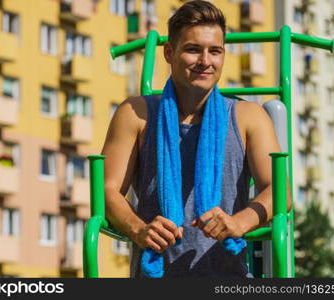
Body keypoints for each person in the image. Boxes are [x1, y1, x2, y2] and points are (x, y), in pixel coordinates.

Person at [101, 0, 291, 278]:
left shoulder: (248, 116)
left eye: (215, 51)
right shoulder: (136, 113)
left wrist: (240, 222)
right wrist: (139, 229)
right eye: (193, 50)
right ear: (169, 52)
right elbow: (106, 190)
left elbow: (279, 189)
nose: (205, 61)